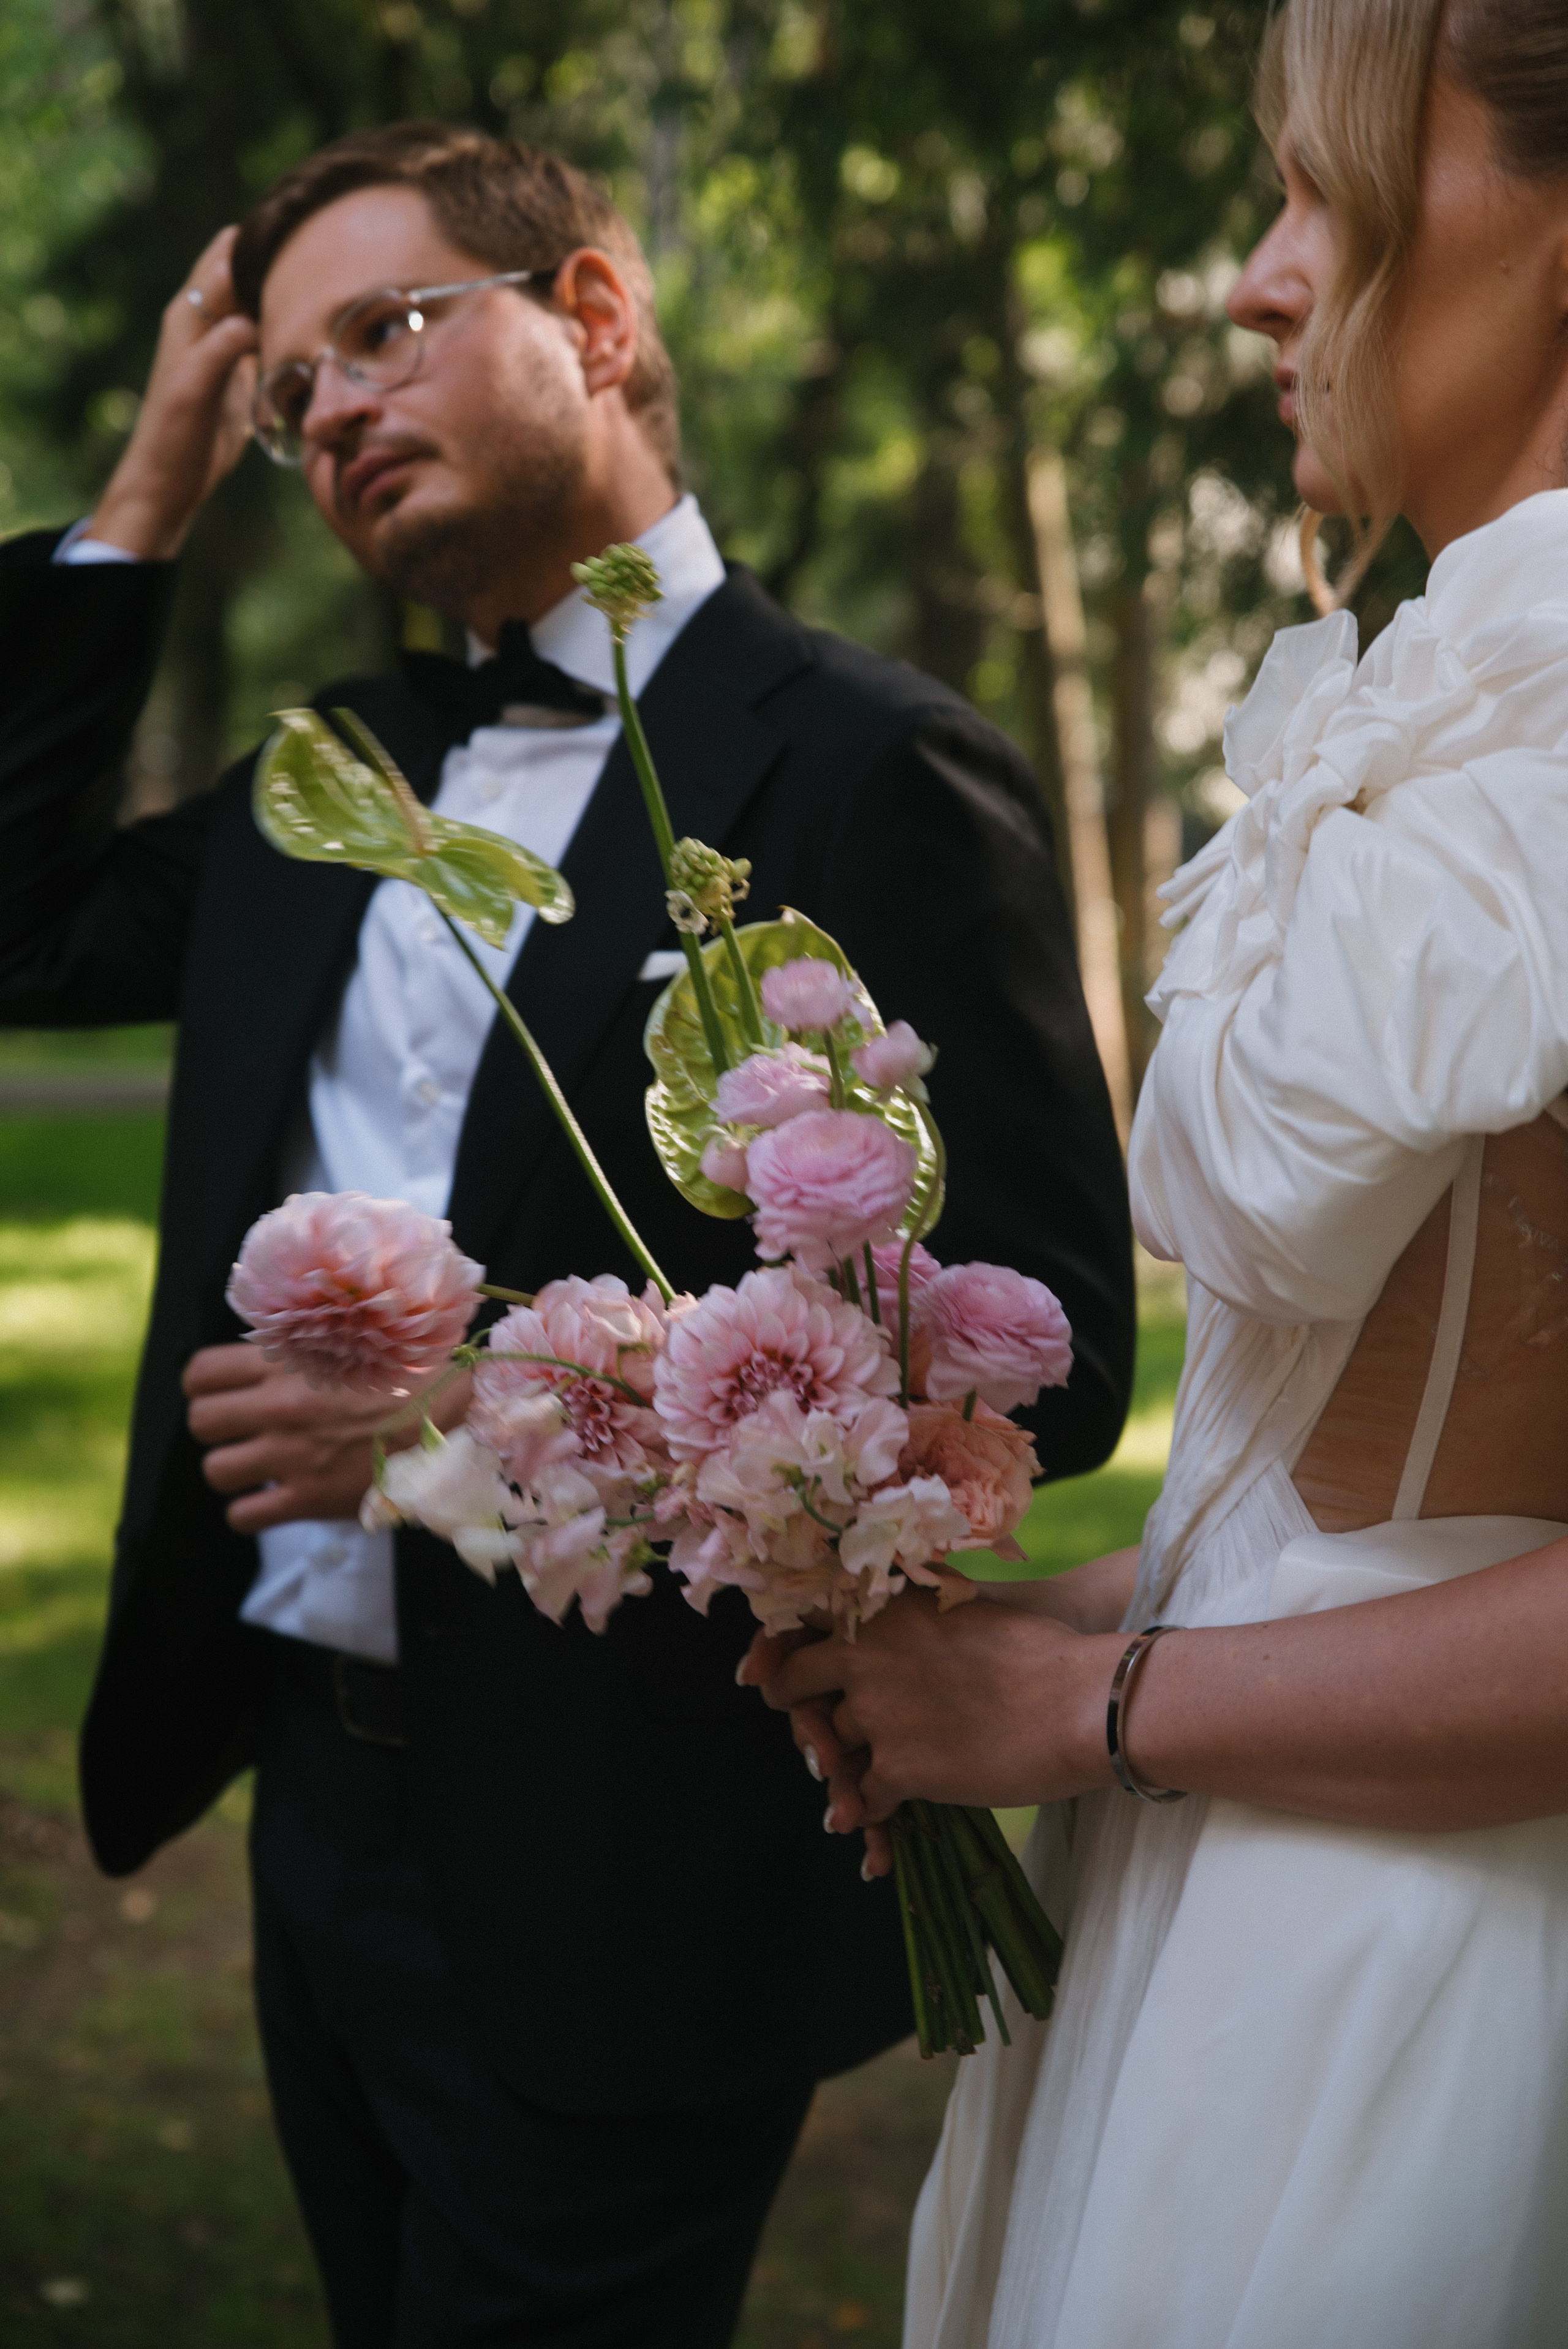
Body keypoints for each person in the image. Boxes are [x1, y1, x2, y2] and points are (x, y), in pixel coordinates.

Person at [0, 124, 1134, 2348]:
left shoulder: (882, 770)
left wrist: (476, 1419)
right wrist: (144, 483)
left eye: (387, 332)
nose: (323, 408)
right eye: (285, 388)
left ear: (596, 322)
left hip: (636, 1860)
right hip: (309, 1808)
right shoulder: (329, 779)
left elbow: (1052, 1353)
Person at [757, 2, 1568, 2343]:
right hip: (1212, 1909)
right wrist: (1040, 1618)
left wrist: (1091, 1720)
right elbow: (1391, 1493)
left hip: (1421, 1972)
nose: (1254, 272)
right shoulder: (1429, 698)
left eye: (1319, 187)